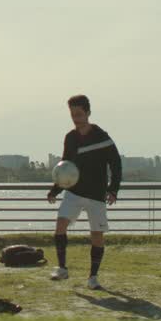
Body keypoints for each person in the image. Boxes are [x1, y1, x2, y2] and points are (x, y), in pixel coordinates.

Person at [46, 94, 122, 289]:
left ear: (88, 113)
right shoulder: (70, 138)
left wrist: (113, 189)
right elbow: (65, 166)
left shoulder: (102, 137)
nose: (76, 118)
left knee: (97, 235)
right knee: (60, 224)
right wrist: (55, 190)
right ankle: (62, 269)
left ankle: (93, 278)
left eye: (79, 114)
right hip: (74, 192)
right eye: (72, 115)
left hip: (97, 195)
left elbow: (116, 163)